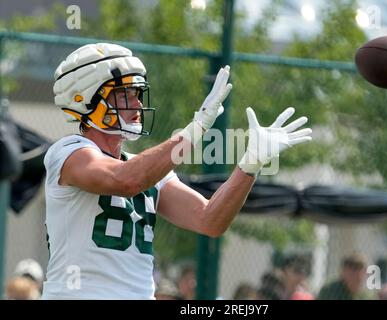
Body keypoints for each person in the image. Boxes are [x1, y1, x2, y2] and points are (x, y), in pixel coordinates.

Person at [42, 43, 312, 299]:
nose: (137, 105)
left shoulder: (145, 169)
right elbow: (124, 179)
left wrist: (250, 165)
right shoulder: (67, 152)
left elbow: (210, 220)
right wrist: (195, 131)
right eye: (125, 94)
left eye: (137, 94)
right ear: (86, 99)